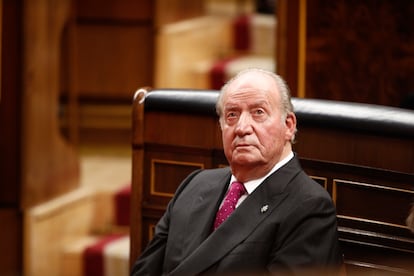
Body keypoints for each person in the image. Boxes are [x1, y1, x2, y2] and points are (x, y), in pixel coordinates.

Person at [131, 68, 344, 275]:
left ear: (288, 125)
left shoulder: (309, 206)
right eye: (232, 115)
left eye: (258, 113)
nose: (242, 127)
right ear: (222, 128)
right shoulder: (195, 184)